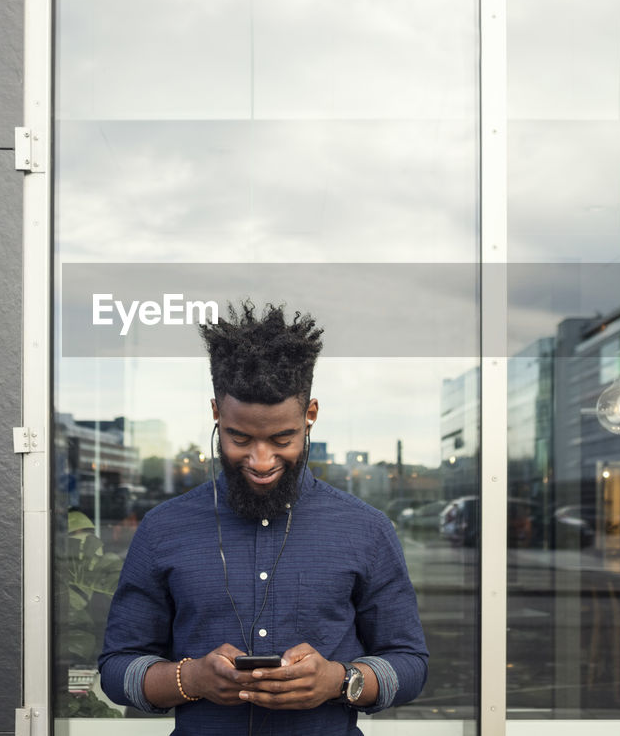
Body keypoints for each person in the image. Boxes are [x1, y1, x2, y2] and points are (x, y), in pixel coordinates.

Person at [99, 302, 428, 735]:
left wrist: (339, 681)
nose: (260, 460)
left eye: (282, 438)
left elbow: (409, 663)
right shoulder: (163, 528)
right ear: (216, 413)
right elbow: (117, 668)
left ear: (310, 416)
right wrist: (191, 678)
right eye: (239, 438)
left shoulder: (366, 529)